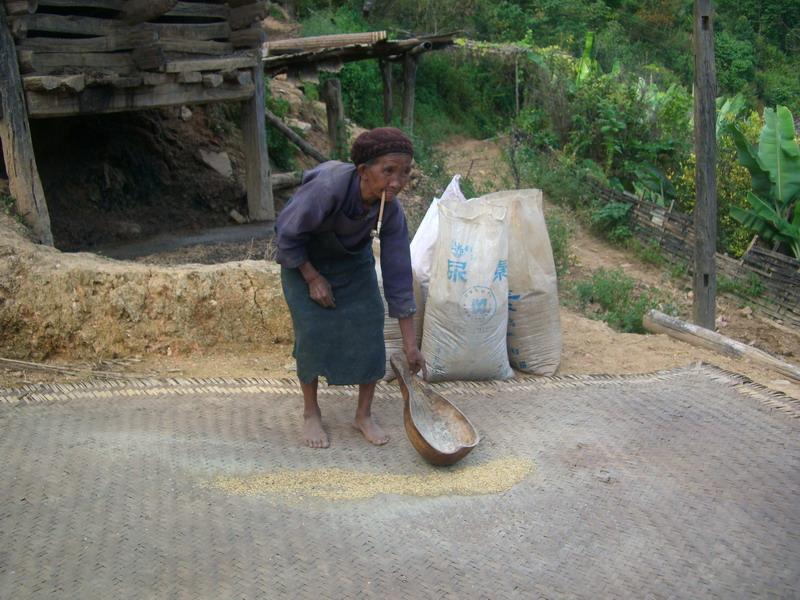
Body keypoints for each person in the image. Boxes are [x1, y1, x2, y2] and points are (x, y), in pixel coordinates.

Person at [275, 127, 426, 449]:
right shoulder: (328, 188)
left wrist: (411, 345)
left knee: (370, 322)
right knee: (312, 332)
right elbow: (287, 235)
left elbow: (399, 277)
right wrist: (313, 278)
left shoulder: (391, 210)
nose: (397, 182)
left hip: (351, 263)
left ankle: (363, 415)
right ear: (363, 171)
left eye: (404, 172)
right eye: (388, 171)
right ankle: (311, 412)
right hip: (303, 260)